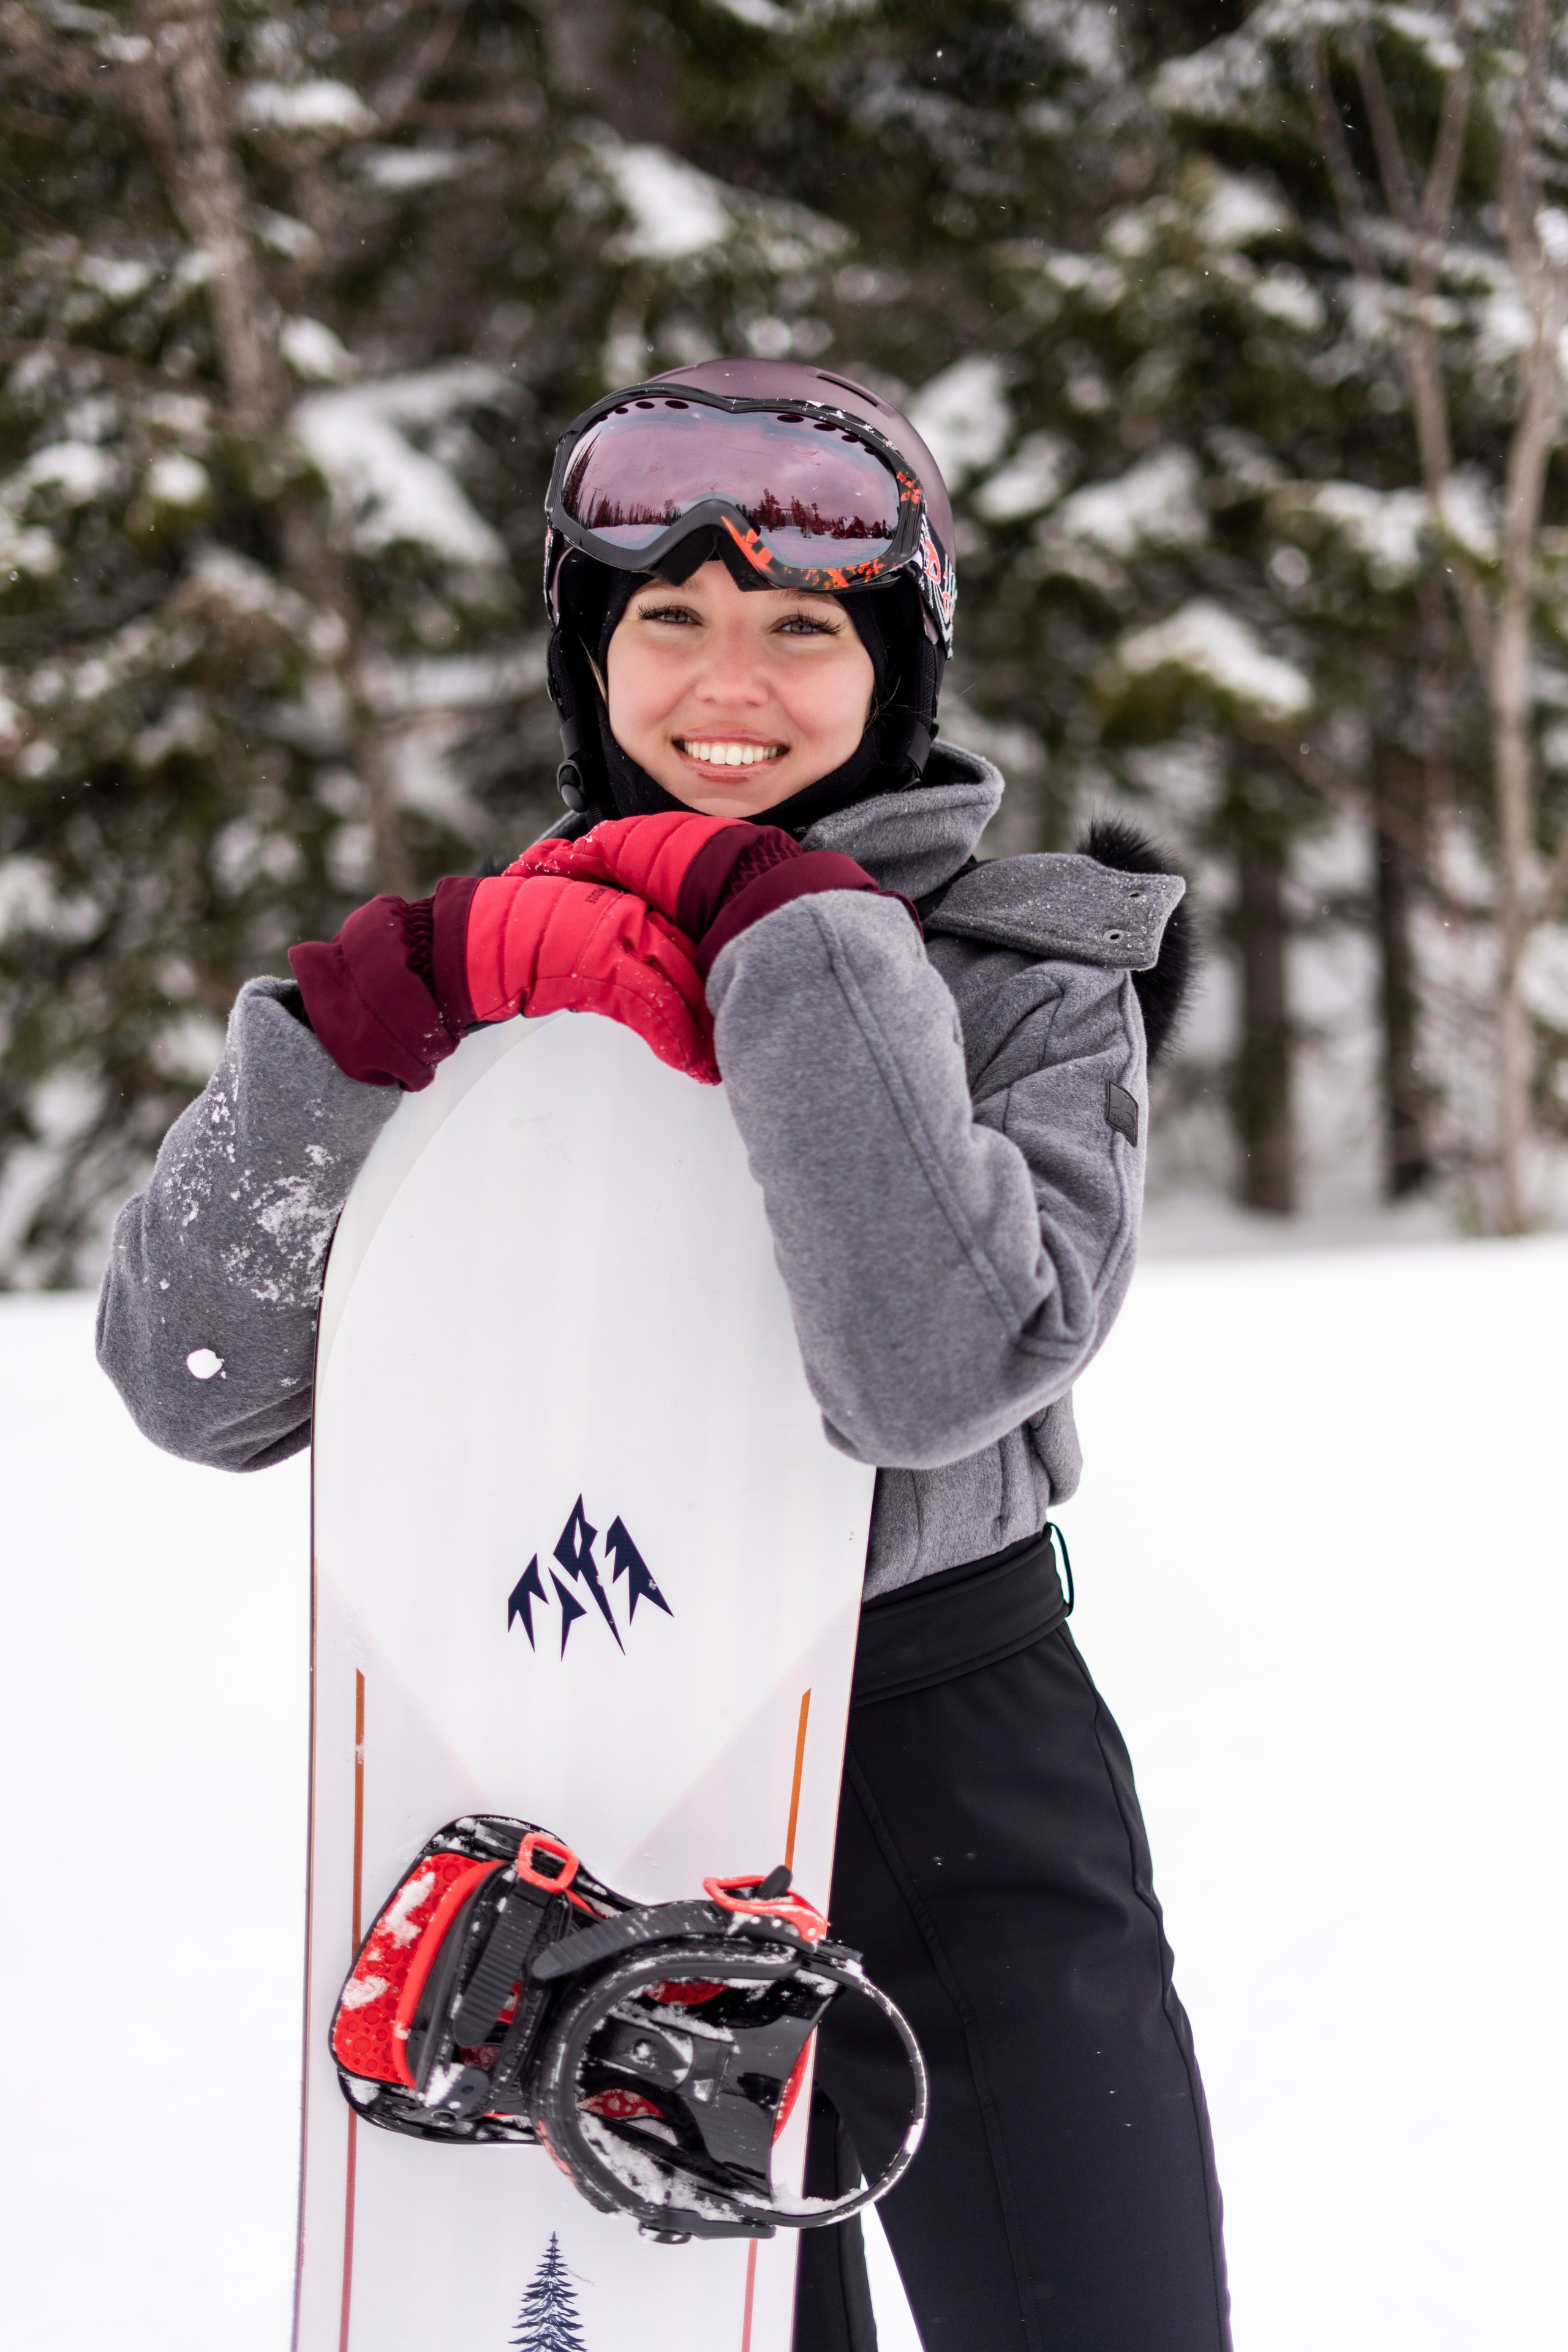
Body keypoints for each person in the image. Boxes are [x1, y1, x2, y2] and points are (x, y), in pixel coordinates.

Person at [97, 359, 1228, 2352]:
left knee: (1100, 2309)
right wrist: (372, 1026)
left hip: (955, 1743)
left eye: (804, 627)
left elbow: (931, 1371)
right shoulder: (470, 980)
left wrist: (781, 933)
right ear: (585, 654)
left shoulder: (1039, 980)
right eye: (669, 620)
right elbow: (194, 1382)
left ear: (901, 664)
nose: (734, 679)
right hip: (587, 1755)